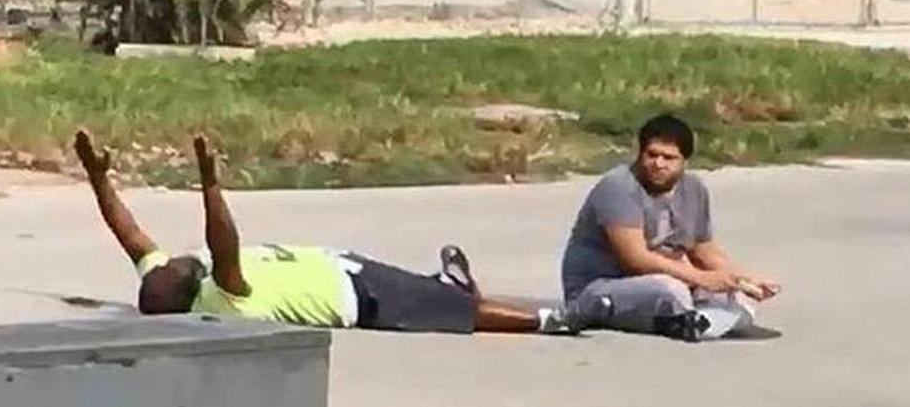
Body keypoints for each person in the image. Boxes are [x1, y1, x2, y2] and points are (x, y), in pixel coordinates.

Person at [74, 130, 576, 335]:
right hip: (360, 297)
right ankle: (553, 321)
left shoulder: (173, 282)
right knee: (467, 316)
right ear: (187, 289)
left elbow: (130, 233)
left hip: (346, 266)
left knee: (437, 297)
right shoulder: (221, 297)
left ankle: (446, 285)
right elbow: (224, 238)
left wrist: (97, 176)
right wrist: (209, 181)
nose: (169, 258)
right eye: (173, 267)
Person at [560, 114, 781, 341]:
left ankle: (693, 323)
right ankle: (693, 320)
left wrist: (741, 279)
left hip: (664, 280)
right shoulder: (618, 187)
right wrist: (702, 279)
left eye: (669, 158)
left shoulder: (693, 190)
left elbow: (703, 250)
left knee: (740, 299)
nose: (658, 164)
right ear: (640, 152)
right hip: (601, 286)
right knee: (670, 290)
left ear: (685, 161)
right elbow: (636, 259)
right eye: (652, 155)